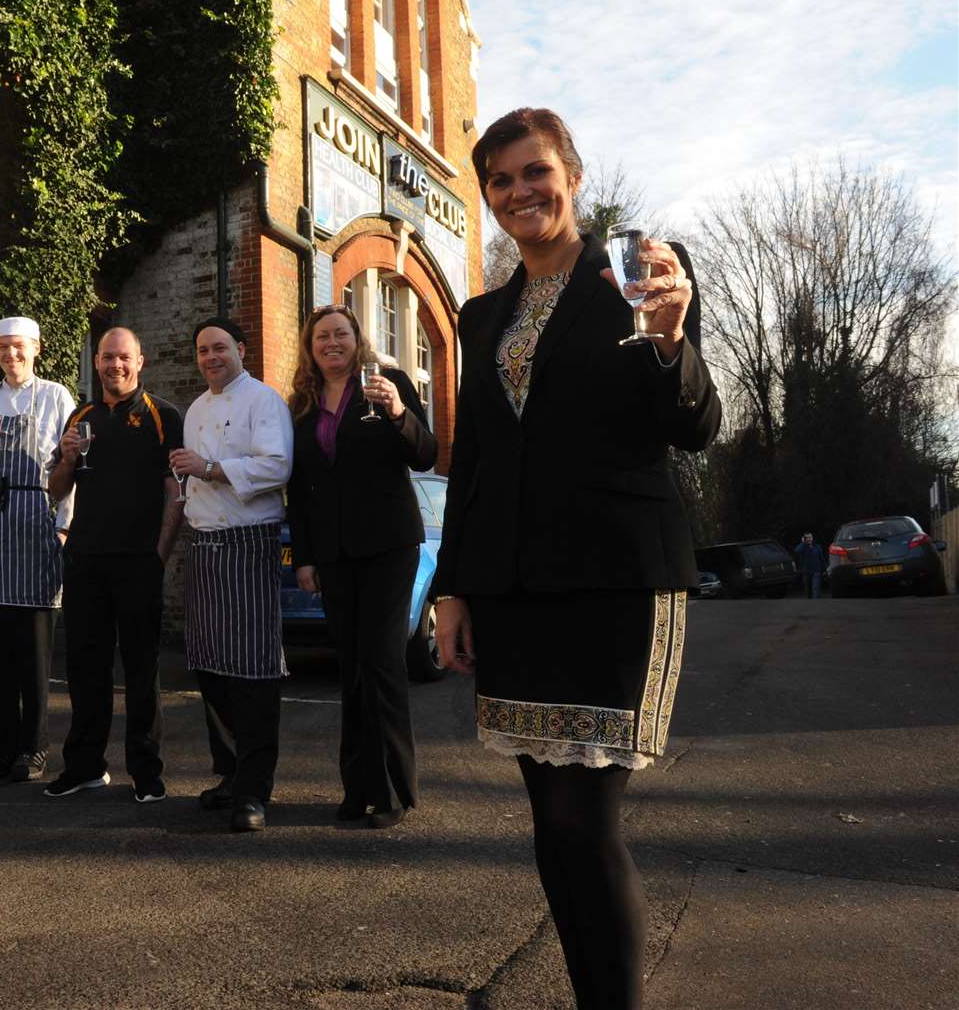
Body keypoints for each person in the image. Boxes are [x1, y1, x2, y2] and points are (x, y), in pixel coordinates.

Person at [433, 108, 721, 1010]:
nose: (520, 191)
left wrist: (671, 338)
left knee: (580, 820)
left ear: (574, 174)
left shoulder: (638, 281)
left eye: (535, 171)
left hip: (615, 581)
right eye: (501, 180)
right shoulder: (481, 317)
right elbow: (472, 460)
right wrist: (452, 589)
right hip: (516, 587)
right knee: (548, 828)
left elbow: (696, 425)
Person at [285, 306, 437, 829]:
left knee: (383, 662)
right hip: (334, 553)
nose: (331, 343)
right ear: (310, 346)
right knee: (350, 667)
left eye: (341, 334)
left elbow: (426, 455)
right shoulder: (302, 405)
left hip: (390, 546)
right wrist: (305, 556)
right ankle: (358, 787)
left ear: (357, 340)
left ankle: (395, 792)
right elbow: (300, 490)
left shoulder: (387, 383)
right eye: (322, 336)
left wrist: (399, 414)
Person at [44, 327, 184, 802]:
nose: (114, 366)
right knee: (85, 669)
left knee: (142, 672)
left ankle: (146, 772)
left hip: (138, 561)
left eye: (123, 357)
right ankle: (84, 765)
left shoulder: (163, 416)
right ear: (97, 362)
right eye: (107, 358)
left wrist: (158, 556)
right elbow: (58, 489)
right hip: (84, 559)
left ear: (140, 361)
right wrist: (64, 460)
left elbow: (176, 493)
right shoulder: (80, 416)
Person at [168, 317, 294, 832]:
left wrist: (209, 469)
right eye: (202, 350)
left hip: (248, 545)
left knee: (253, 672)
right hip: (204, 545)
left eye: (220, 347)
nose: (211, 357)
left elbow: (277, 467)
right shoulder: (197, 407)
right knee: (212, 669)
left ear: (241, 349)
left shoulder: (264, 400)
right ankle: (229, 774)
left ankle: (254, 790)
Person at [0, 316, 75, 783]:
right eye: (3, 348)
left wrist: (63, 529)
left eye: (19, 347)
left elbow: (70, 464)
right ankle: (2, 748)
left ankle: (35, 748)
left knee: (34, 652)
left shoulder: (56, 397)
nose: (11, 355)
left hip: (34, 526)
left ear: (37, 348)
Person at [794, 532, 825, 598]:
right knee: (807, 591)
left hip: (816, 571)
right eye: (807, 537)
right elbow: (797, 551)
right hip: (806, 572)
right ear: (804, 539)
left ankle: (816, 604)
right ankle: (810, 605)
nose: (809, 539)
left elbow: (822, 559)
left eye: (810, 537)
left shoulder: (817, 547)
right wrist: (802, 543)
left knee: (815, 589)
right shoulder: (802, 547)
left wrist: (824, 569)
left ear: (812, 538)